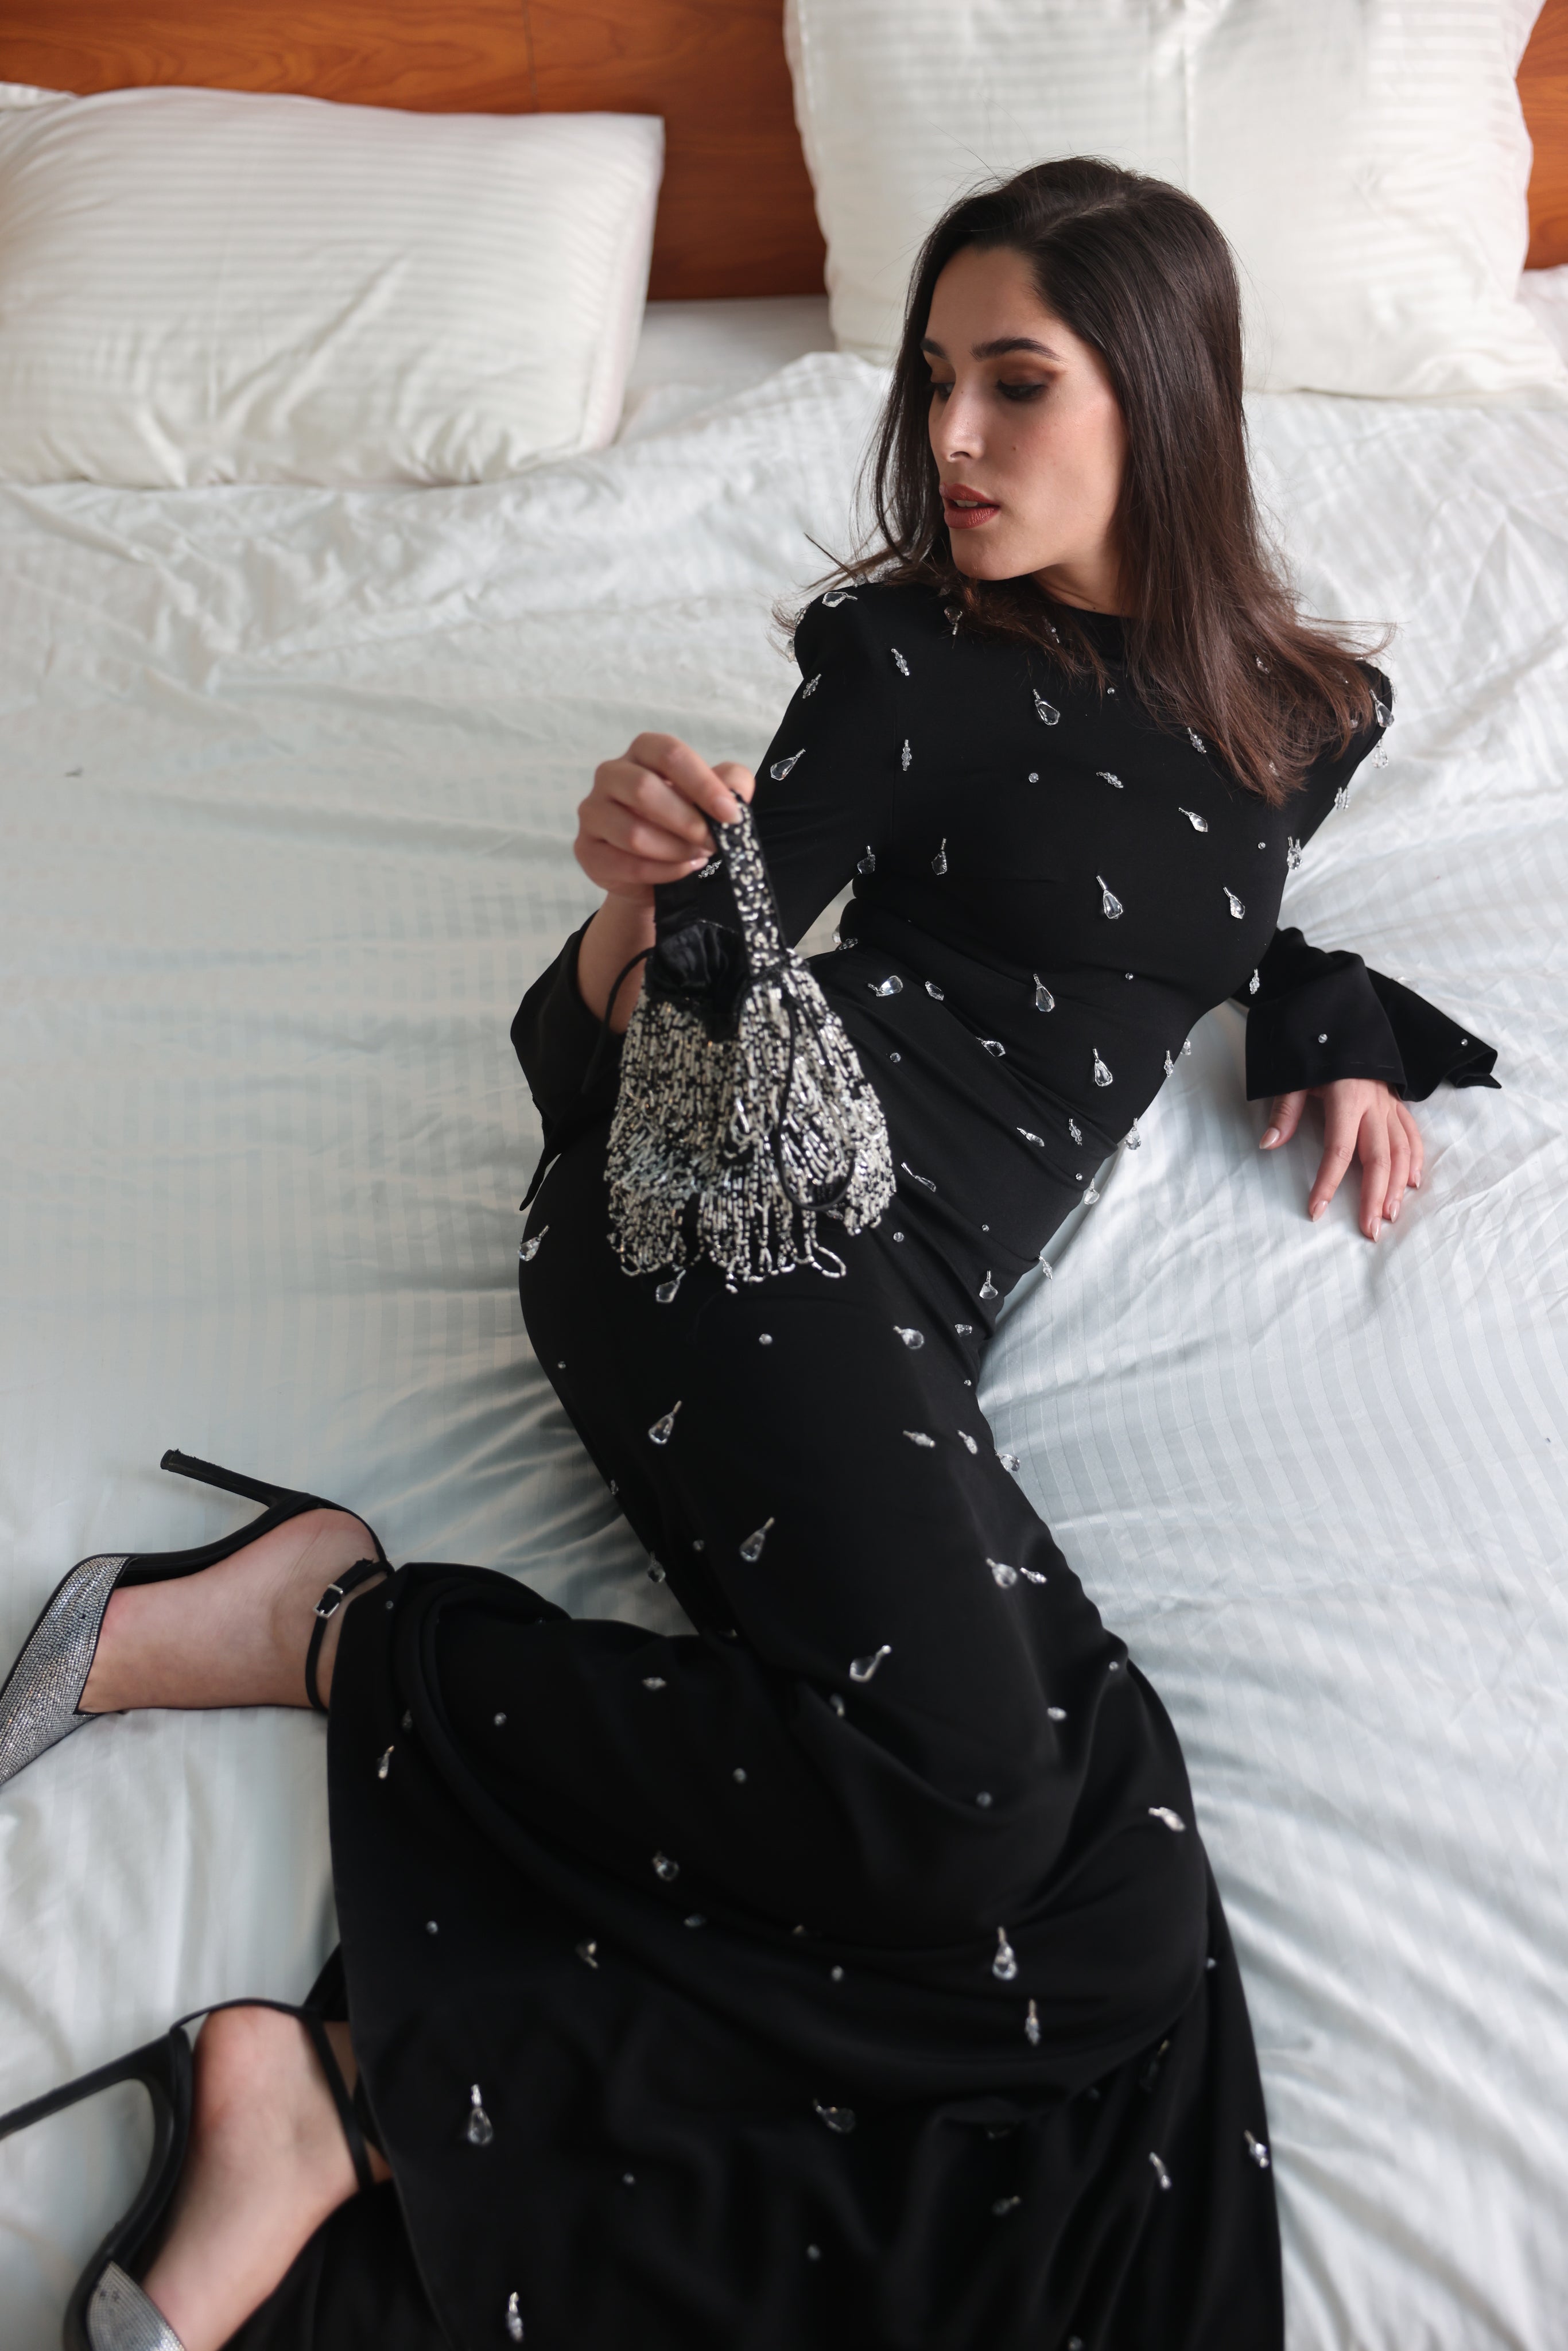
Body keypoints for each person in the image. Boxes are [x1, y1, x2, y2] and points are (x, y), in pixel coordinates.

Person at [0, 158, 1497, 2351]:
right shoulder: (908, 661)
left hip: (911, 1318)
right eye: (932, 379)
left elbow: (1221, 883)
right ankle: (327, 1638)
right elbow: (688, 976)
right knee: (976, 1798)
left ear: (1162, 400)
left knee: (1104, 1906)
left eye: (1014, 382)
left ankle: (332, 2102)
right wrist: (631, 913)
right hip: (735, 1221)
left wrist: (1323, 1016)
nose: (949, 439)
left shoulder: (1307, 707)